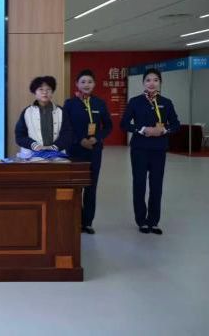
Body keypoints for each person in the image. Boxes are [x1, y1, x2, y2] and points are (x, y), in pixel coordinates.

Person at [120, 68, 180, 235]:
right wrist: (142, 129)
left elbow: (176, 124)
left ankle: (153, 221)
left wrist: (164, 130)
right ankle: (141, 221)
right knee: (139, 184)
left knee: (156, 185)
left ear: (160, 82)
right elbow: (124, 123)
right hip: (139, 149)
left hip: (158, 149)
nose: (152, 83)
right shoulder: (135, 101)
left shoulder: (166, 102)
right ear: (143, 83)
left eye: (155, 80)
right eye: (148, 80)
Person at [63, 70, 113, 234]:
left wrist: (96, 138)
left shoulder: (99, 103)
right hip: (75, 150)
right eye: (83, 82)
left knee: (91, 186)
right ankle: (76, 220)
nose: (86, 85)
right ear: (77, 84)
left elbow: (108, 126)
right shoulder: (70, 104)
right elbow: (66, 126)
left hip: (94, 150)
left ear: (94, 84)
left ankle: (88, 222)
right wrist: (80, 140)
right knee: (76, 187)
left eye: (90, 82)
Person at [15, 76, 71, 158]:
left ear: (52, 92)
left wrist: (54, 147)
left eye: (48, 89)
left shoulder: (61, 111)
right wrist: (34, 145)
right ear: (35, 92)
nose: (45, 92)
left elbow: (68, 134)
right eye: (41, 89)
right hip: (31, 155)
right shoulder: (27, 112)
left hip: (56, 155)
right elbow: (20, 136)